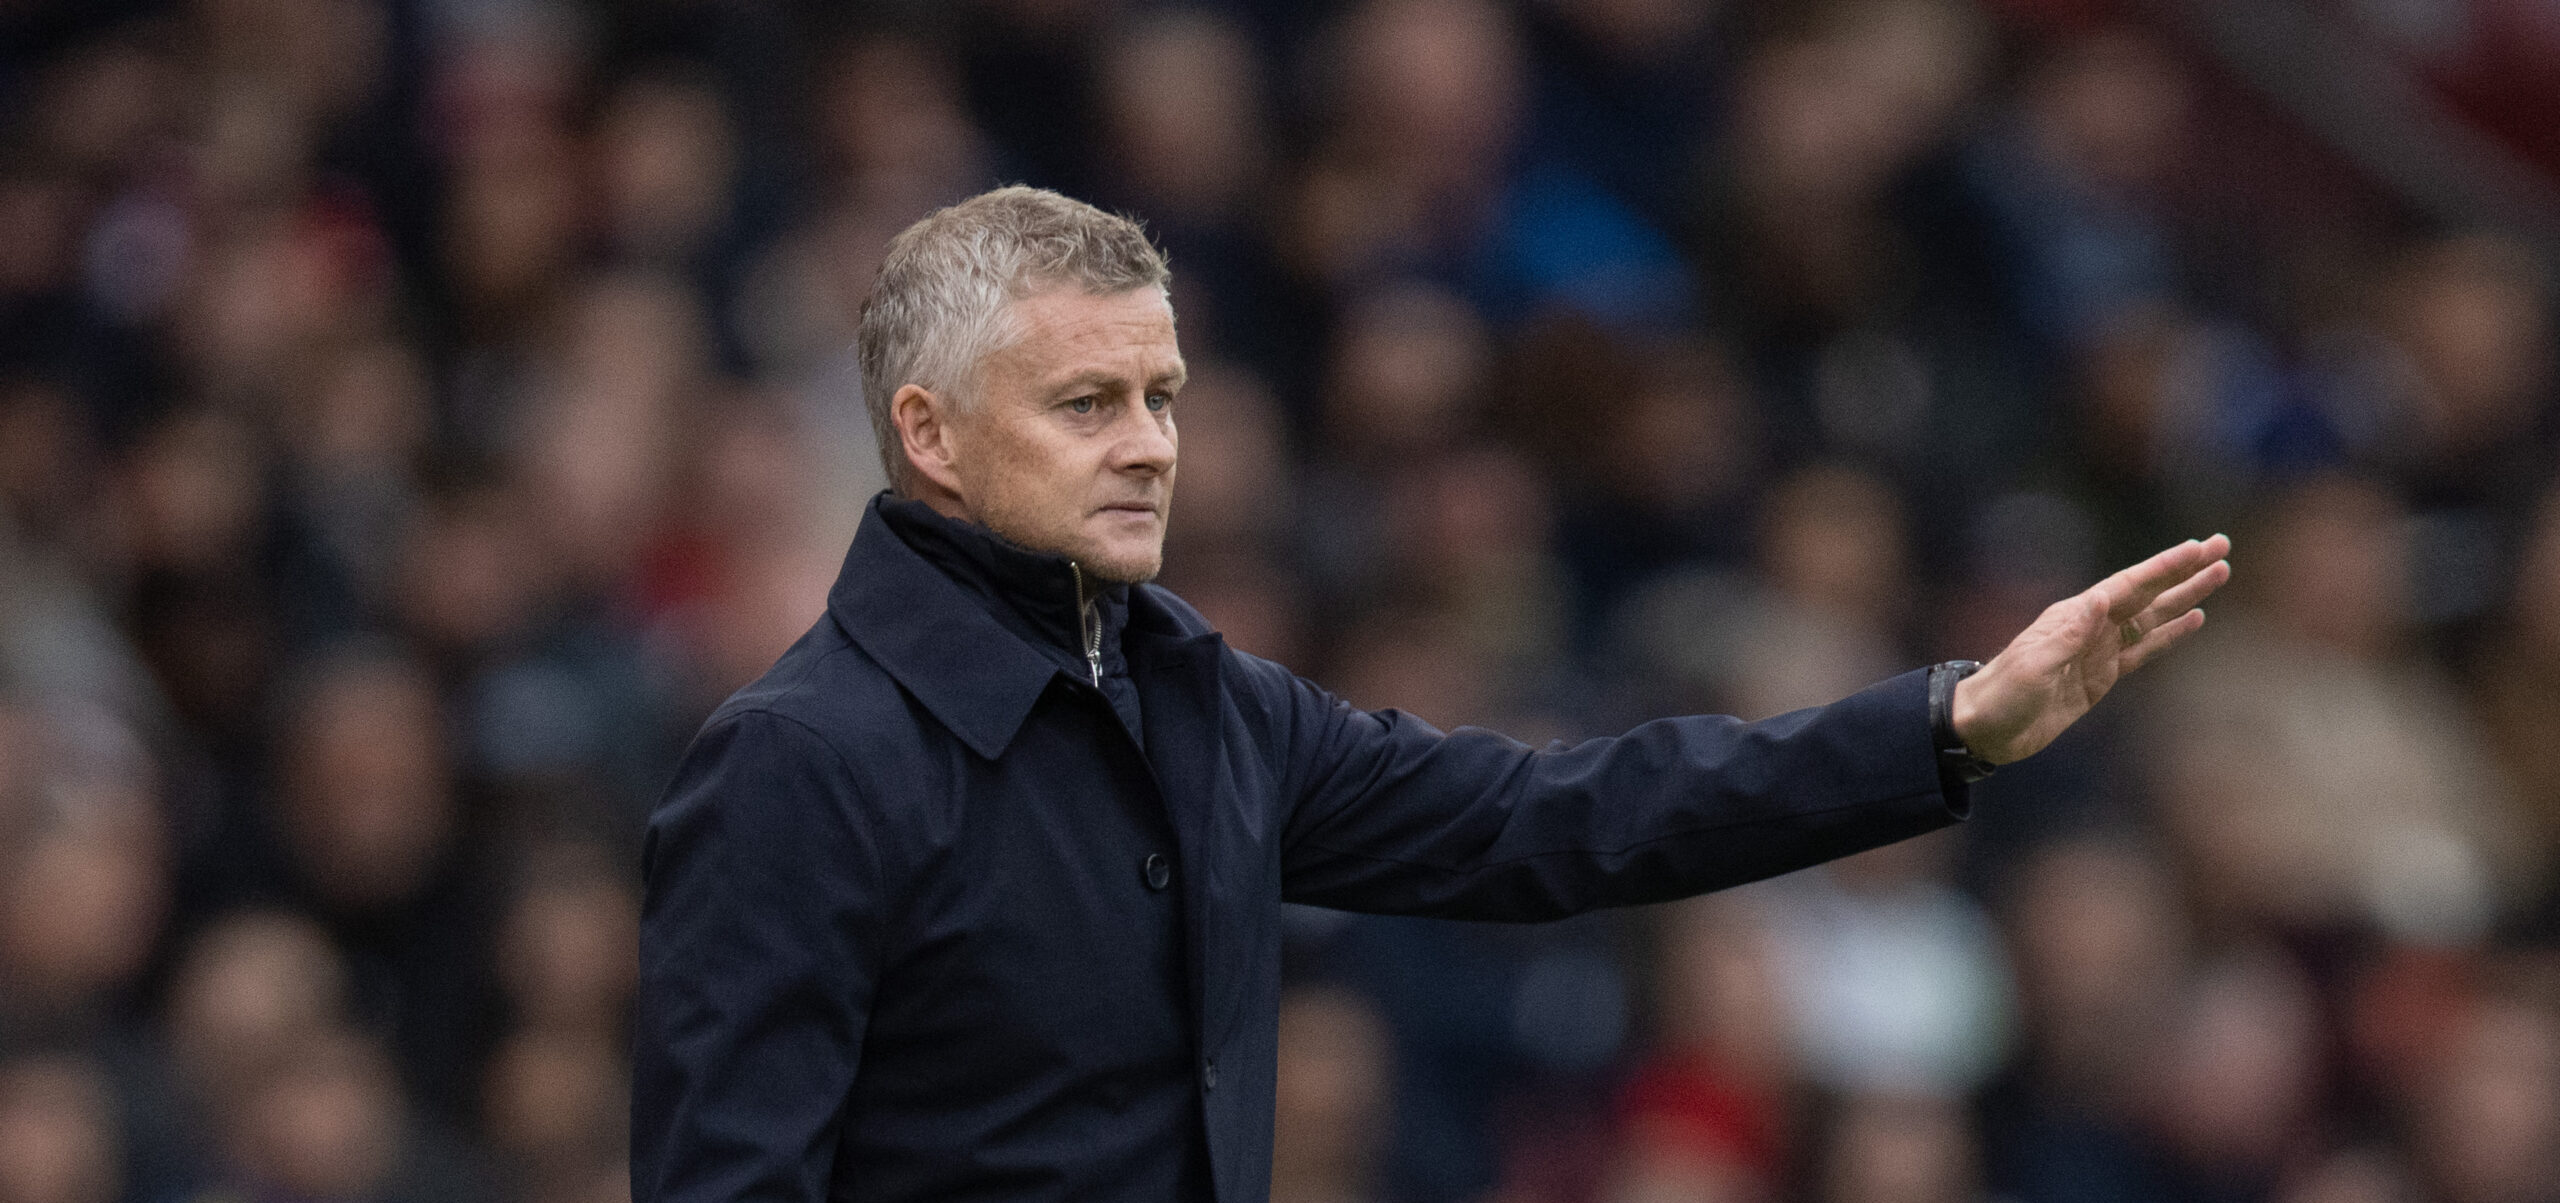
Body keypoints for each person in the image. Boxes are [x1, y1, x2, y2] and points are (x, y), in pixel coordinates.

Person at [628, 186, 2230, 1203]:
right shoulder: (800, 760)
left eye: (1165, 396)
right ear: (930, 434)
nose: (1149, 445)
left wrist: (1943, 727)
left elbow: (1555, 820)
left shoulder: (1205, 705)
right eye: (1086, 402)